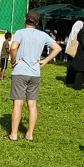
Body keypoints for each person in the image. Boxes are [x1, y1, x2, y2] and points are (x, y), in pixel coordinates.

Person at [7, 10, 57, 142]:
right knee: (33, 104)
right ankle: (29, 134)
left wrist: (13, 61)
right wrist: (45, 61)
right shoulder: (43, 35)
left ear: (25, 20)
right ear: (38, 22)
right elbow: (57, 48)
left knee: (18, 104)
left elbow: (13, 48)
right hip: (35, 72)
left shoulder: (20, 32)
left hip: (20, 71)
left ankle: (14, 134)